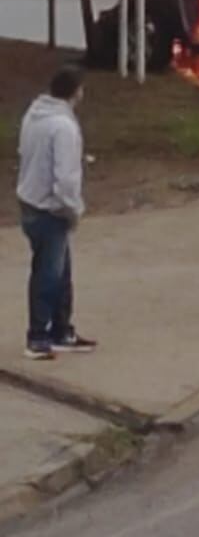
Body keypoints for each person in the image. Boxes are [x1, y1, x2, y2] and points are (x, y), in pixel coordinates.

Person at [17, 66, 96, 360]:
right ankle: (39, 334)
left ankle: (62, 329)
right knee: (49, 273)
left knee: (60, 271)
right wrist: (73, 209)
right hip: (52, 208)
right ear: (76, 91)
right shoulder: (63, 127)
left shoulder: (34, 115)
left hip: (30, 202)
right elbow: (65, 177)